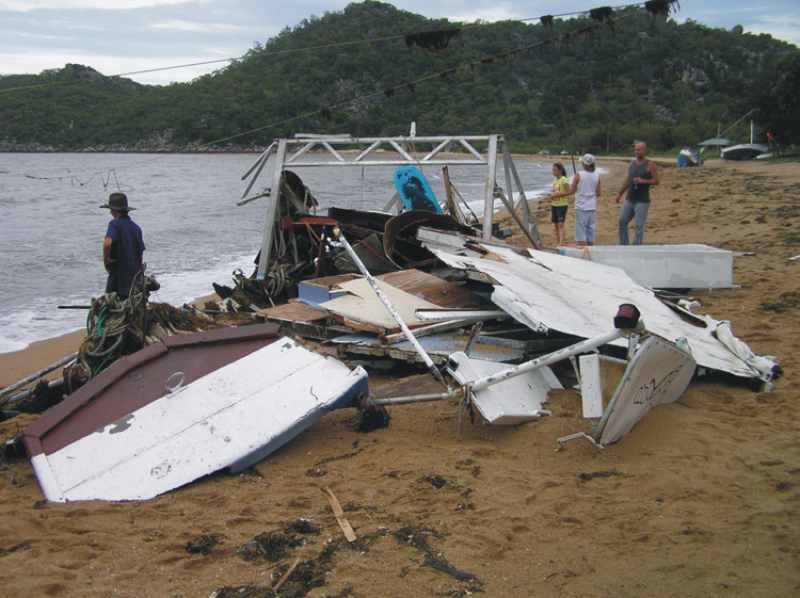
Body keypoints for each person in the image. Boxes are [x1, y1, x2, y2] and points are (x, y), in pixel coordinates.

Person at [100, 192, 145, 299]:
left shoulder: (114, 224)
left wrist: (106, 261)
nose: (110, 212)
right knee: (131, 306)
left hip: (118, 277)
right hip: (134, 278)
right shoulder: (136, 228)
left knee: (110, 305)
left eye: (111, 210)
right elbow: (140, 254)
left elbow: (107, 244)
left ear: (115, 211)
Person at [616, 141, 659, 245]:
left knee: (639, 225)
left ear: (644, 150)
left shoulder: (650, 164)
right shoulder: (632, 163)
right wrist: (620, 194)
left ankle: (637, 246)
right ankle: (623, 244)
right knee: (622, 221)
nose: (636, 152)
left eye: (639, 150)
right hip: (630, 198)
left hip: (642, 200)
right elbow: (628, 180)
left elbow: (656, 181)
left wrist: (643, 181)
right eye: (635, 149)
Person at [556, 154, 601, 247]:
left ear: (584, 164)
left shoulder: (578, 175)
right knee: (590, 234)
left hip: (581, 208)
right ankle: (590, 252)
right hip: (592, 207)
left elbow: (571, 191)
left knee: (581, 235)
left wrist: (557, 194)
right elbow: (598, 193)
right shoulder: (597, 175)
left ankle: (585, 255)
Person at [547, 162, 570, 246]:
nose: (553, 172)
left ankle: (561, 243)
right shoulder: (555, 180)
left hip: (562, 205)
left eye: (555, 170)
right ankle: (558, 242)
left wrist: (557, 194)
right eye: (552, 170)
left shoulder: (564, 179)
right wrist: (552, 194)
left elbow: (568, 191)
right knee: (555, 225)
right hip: (554, 204)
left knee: (561, 224)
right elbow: (554, 191)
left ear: (560, 170)